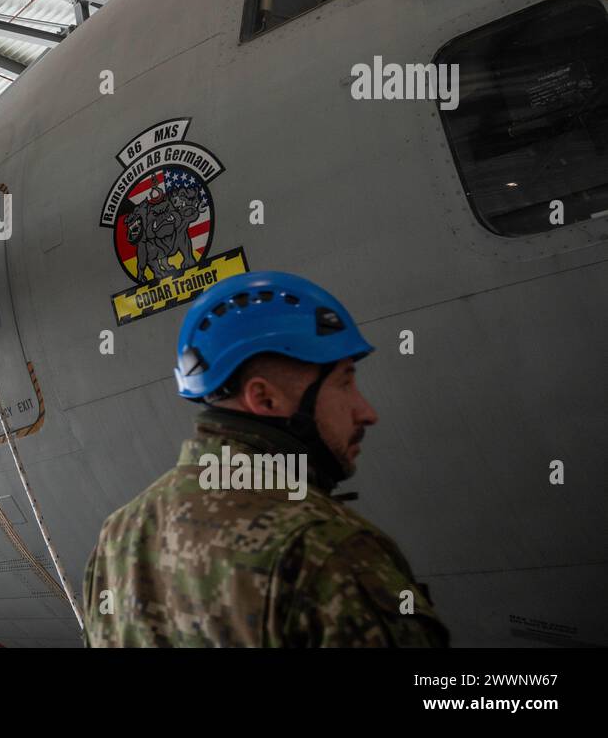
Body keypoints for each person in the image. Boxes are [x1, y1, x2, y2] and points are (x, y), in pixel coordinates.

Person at [83, 270, 450, 647]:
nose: (366, 411)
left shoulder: (118, 538)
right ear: (266, 399)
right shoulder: (324, 549)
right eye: (344, 382)